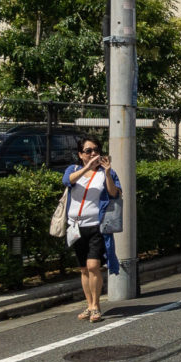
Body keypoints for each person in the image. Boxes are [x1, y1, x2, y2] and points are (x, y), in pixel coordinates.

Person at [64, 136, 122, 321]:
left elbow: (114, 193)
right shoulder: (74, 170)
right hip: (76, 226)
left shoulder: (106, 172)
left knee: (93, 266)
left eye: (96, 150)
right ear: (80, 154)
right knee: (83, 269)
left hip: (96, 225)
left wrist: (107, 173)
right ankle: (89, 305)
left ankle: (96, 306)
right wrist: (87, 168)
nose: (93, 153)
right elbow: (67, 181)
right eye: (88, 151)